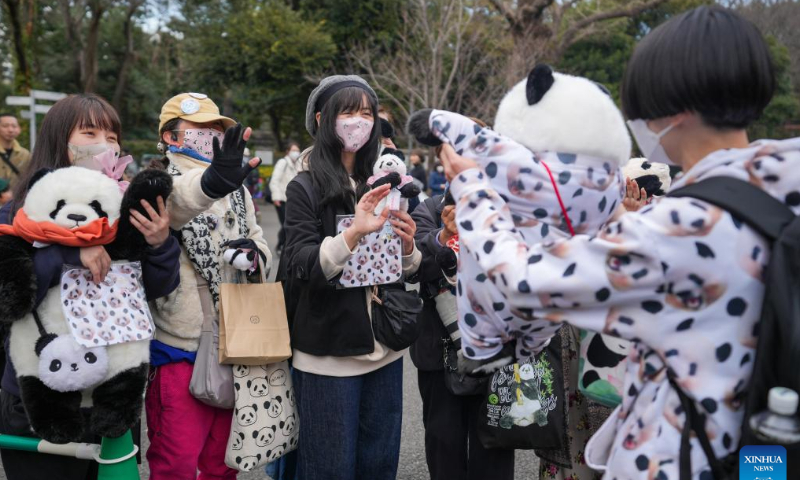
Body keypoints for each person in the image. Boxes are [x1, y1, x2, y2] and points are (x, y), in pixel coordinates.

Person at [439, 6, 783, 478]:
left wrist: (474, 190)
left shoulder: (682, 228)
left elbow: (525, 281)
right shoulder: (781, 187)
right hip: (766, 444)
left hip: (688, 456)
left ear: (674, 109)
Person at [0, 93, 181, 480]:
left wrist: (160, 243)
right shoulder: (19, 212)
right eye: (90, 131)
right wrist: (69, 253)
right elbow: (9, 293)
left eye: (112, 135)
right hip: (37, 397)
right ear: (59, 139)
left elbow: (158, 287)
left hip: (111, 397)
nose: (105, 143)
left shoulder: (123, 209)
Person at [282, 75, 421, 480]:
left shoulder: (385, 183)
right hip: (328, 356)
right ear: (324, 119)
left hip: (384, 349)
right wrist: (353, 232)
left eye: (367, 113)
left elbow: (403, 269)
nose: (359, 122)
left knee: (378, 465)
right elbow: (300, 264)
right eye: (348, 111)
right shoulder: (304, 187)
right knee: (329, 469)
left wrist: (409, 246)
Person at [147, 92, 271, 480]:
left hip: (236, 340)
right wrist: (213, 181)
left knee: (223, 463)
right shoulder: (157, 182)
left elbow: (259, 237)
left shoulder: (238, 188)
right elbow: (178, 204)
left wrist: (254, 254)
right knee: (176, 462)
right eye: (198, 128)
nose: (209, 134)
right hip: (181, 346)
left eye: (215, 128)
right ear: (170, 137)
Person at [411, 185, 515, 480]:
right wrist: (444, 237)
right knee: (444, 445)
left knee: (494, 447)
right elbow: (414, 268)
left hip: (497, 348)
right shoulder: (431, 209)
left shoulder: (507, 209)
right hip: (439, 350)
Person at [270, 142, 302, 253]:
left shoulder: (296, 164)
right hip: (281, 199)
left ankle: (283, 245)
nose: (296, 152)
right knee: (286, 224)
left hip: (292, 200)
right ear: (287, 151)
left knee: (288, 224)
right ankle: (280, 245)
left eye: (297, 150)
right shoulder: (283, 162)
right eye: (293, 150)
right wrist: (276, 197)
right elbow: (274, 180)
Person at [0, 113, 30, 185]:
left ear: (19, 129)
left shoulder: (25, 155)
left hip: (17, 195)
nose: (10, 130)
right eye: (5, 126)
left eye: (14, 126)